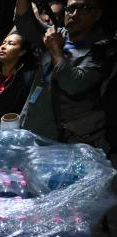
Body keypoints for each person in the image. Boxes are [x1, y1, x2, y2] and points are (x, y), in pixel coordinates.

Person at [15, 0, 109, 151]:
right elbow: (25, 23)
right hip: (31, 126)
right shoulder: (57, 34)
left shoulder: (101, 50)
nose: (75, 14)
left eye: (84, 9)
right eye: (71, 9)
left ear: (97, 14)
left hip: (62, 140)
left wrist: (55, 50)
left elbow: (74, 84)